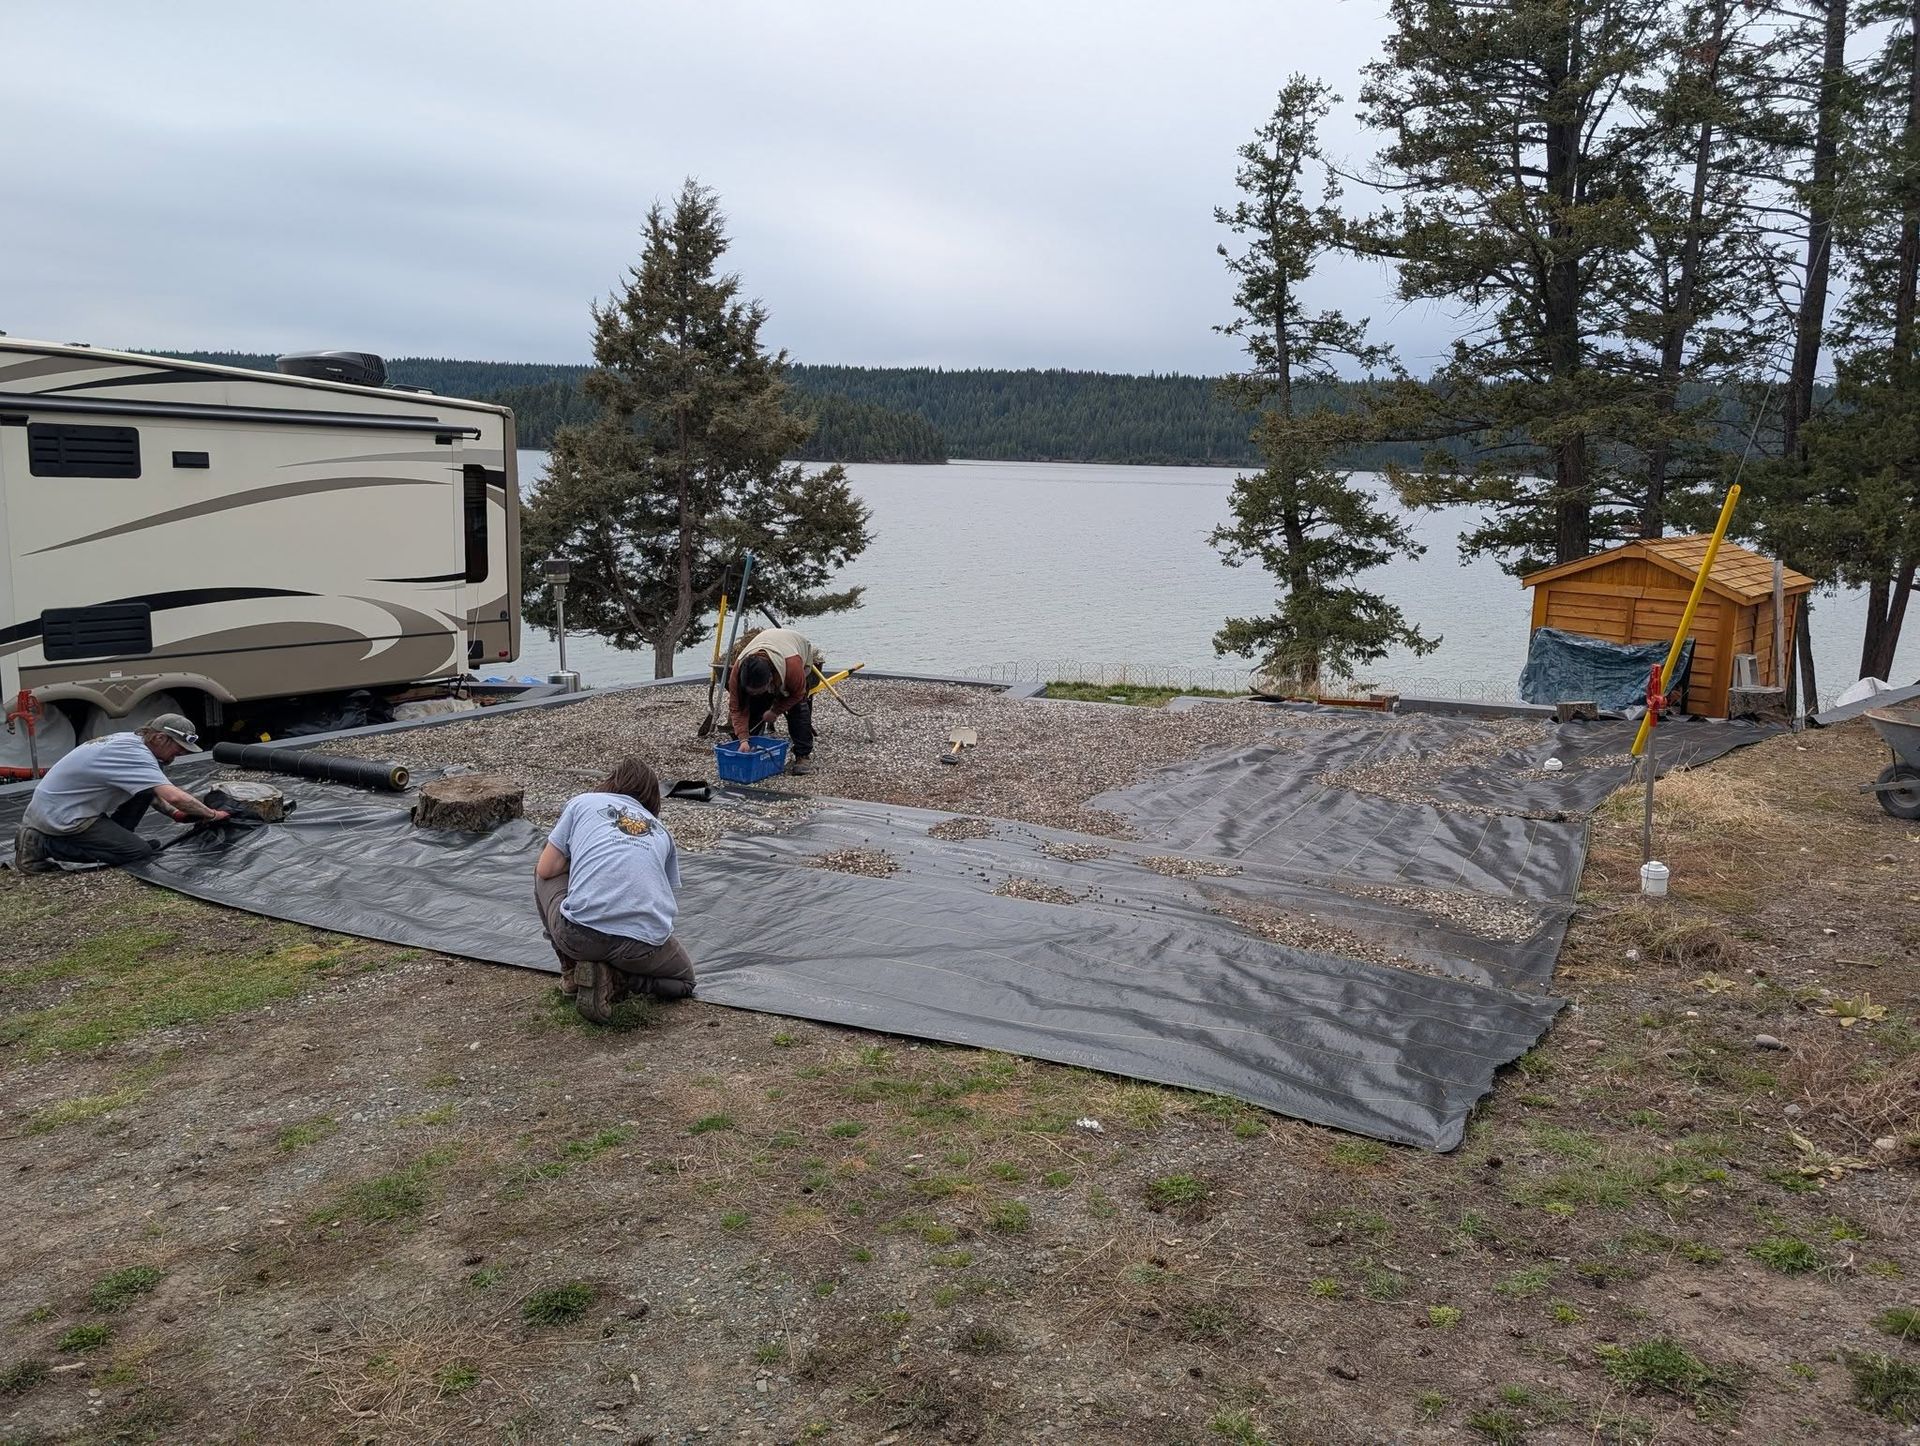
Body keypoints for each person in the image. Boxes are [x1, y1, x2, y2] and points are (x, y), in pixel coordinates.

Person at [534, 756, 696, 1023]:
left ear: (612, 782)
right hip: (642, 944)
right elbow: (655, 887)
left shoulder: (583, 802)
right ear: (652, 797)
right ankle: (619, 979)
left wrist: (578, 863)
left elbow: (546, 870)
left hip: (578, 934)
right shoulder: (661, 831)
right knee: (685, 982)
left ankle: (572, 973)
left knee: (543, 865)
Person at [13, 714, 228, 872]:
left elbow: (149, 791)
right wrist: (211, 814)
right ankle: (40, 844)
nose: (179, 754)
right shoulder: (135, 755)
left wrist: (175, 814)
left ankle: (120, 840)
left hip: (59, 807)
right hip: (64, 817)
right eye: (178, 748)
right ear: (160, 738)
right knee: (138, 853)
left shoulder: (131, 742)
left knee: (145, 793)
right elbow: (175, 796)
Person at [727, 626, 825, 776]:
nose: (754, 693)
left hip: (795, 648)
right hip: (767, 643)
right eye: (750, 690)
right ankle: (752, 747)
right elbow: (736, 708)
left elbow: (797, 694)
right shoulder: (737, 671)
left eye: (758, 690)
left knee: (798, 709)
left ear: (770, 680)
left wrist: (775, 711)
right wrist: (743, 739)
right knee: (753, 706)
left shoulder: (792, 666)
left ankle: (803, 755)